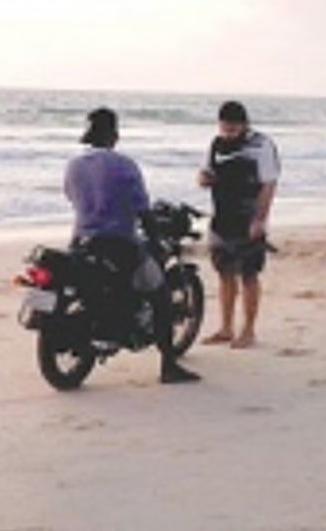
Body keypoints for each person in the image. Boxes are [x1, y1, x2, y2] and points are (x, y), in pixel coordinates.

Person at [65, 108, 201, 384]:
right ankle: (169, 367)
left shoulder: (74, 165)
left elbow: (72, 197)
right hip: (121, 245)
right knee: (161, 295)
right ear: (114, 135)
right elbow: (141, 208)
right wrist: (157, 239)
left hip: (81, 242)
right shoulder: (125, 165)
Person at [197, 101, 280, 349]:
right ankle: (225, 328)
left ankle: (248, 330)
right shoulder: (216, 143)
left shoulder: (261, 145)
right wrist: (204, 179)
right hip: (222, 216)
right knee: (224, 273)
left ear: (244, 124)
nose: (228, 132)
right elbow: (204, 174)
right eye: (224, 127)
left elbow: (269, 183)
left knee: (249, 274)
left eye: (233, 128)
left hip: (249, 217)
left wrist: (259, 219)